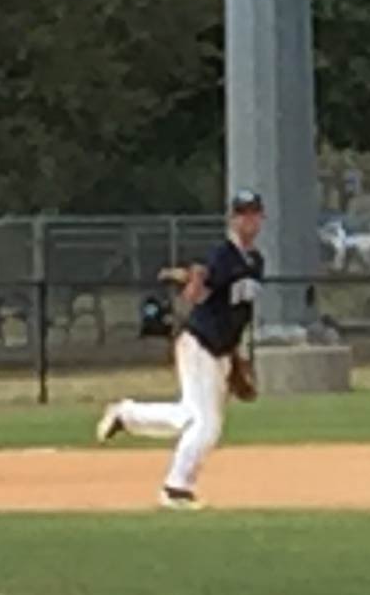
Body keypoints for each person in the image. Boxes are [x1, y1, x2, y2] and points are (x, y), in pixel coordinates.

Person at [99, 189, 266, 508]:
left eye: (254, 213)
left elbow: (237, 314)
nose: (249, 220)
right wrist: (193, 279)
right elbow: (199, 285)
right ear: (232, 219)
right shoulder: (222, 255)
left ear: (261, 218)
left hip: (221, 351)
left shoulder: (256, 262)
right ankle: (175, 489)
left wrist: (234, 356)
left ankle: (127, 414)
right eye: (243, 213)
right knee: (202, 424)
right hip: (199, 344)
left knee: (198, 421)